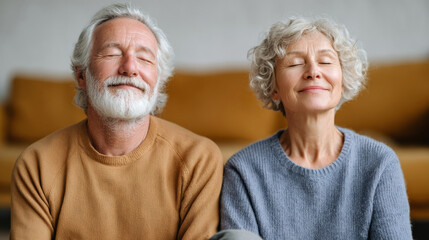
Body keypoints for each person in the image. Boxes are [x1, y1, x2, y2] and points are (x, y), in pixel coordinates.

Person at [10, 3, 224, 239]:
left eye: (144, 59)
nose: (130, 68)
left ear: (159, 80)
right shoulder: (36, 164)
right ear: (82, 75)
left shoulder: (198, 159)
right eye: (112, 54)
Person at [220, 17, 413, 239]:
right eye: (294, 64)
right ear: (274, 88)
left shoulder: (380, 163)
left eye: (326, 61)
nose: (313, 71)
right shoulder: (243, 169)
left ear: (343, 81)